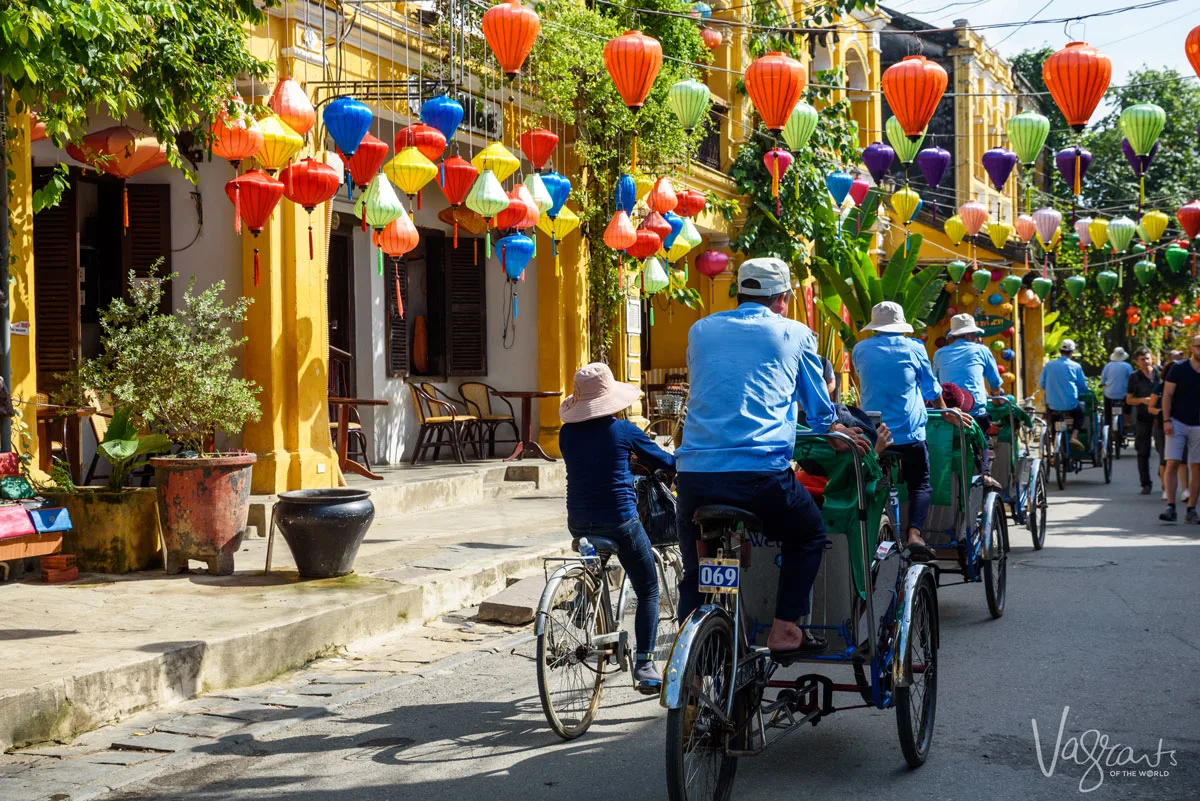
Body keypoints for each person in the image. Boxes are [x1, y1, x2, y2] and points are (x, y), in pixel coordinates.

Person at [674, 257, 869, 661]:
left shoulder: (701, 330)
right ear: (781, 299)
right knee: (808, 533)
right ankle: (784, 628)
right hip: (759, 477)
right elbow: (818, 411)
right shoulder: (795, 333)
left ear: (740, 292)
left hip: (694, 475)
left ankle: (688, 661)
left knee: (696, 568)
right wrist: (835, 432)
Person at [558, 362, 675, 692]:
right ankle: (645, 663)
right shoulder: (624, 431)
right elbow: (664, 462)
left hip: (578, 522)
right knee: (648, 588)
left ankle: (587, 599)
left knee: (597, 558)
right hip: (620, 521)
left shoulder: (567, 434)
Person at [852, 302, 967, 562]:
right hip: (910, 434)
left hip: (876, 434)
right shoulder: (913, 348)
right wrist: (945, 410)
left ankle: (875, 530)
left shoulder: (860, 349)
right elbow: (932, 390)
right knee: (920, 484)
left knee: (871, 483)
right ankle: (915, 534)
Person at [932, 313, 1003, 471]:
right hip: (974, 413)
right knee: (982, 437)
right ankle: (985, 474)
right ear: (971, 334)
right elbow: (995, 383)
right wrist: (997, 399)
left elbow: (935, 384)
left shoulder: (939, 354)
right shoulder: (981, 350)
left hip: (948, 413)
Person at [1158, 335, 1200, 523]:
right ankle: (1170, 506)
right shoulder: (1179, 369)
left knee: (1197, 466)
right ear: (1192, 348)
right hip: (1177, 421)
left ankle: (1191, 508)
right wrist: (1166, 420)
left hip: (1198, 424)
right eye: (1199, 347)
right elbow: (1167, 395)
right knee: (1172, 463)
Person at [1039, 339, 1088, 452]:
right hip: (1070, 404)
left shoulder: (1049, 365)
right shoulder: (1076, 366)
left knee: (1053, 422)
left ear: (1060, 351)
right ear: (1072, 353)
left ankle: (1054, 448)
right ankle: (1074, 436)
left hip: (1053, 405)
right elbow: (1081, 386)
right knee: (1079, 415)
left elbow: (1042, 383)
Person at [1126, 347, 1159, 495]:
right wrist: (1142, 400)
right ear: (1136, 362)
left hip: (1161, 417)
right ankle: (1145, 483)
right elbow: (1129, 399)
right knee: (1143, 451)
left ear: (1152, 358)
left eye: (1147, 358)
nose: (1145, 362)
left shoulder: (1160, 373)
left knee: (1164, 451)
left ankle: (1164, 475)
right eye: (1142, 359)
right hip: (1143, 418)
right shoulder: (1134, 377)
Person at [1100, 347, 1133, 439]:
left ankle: (1108, 424)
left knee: (1107, 409)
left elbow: (1103, 381)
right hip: (1123, 395)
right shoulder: (1127, 366)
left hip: (1109, 394)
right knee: (1128, 400)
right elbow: (1132, 379)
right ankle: (1126, 420)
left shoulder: (1108, 366)